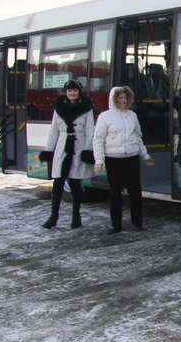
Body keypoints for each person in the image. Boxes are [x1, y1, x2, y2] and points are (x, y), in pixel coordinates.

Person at [93, 86, 154, 233]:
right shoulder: (105, 117)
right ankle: (116, 225)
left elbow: (138, 137)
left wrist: (145, 156)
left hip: (132, 158)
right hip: (113, 159)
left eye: (125, 98)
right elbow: (98, 140)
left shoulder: (132, 115)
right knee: (115, 192)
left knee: (135, 191)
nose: (122, 101)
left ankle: (137, 223)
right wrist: (99, 161)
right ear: (114, 99)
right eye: (119, 98)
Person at [39, 79, 95, 229]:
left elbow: (90, 131)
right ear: (66, 92)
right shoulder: (59, 108)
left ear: (79, 91)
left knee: (76, 184)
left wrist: (88, 150)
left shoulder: (87, 108)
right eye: (69, 90)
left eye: (75, 90)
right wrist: (48, 150)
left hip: (79, 146)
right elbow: (53, 131)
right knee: (58, 182)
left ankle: (76, 218)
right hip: (62, 148)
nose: (72, 93)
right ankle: (53, 217)